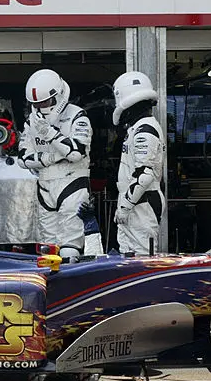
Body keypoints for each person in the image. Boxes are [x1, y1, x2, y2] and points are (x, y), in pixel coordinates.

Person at [17, 68, 93, 261]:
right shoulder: (31, 121)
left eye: (44, 101)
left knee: (70, 246)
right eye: (36, 103)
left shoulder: (78, 116)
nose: (41, 106)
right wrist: (52, 157)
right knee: (47, 248)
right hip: (44, 186)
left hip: (72, 183)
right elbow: (23, 158)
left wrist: (49, 133)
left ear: (57, 96)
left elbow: (76, 152)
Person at [111, 70, 164, 255]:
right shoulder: (139, 128)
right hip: (137, 202)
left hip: (142, 204)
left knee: (142, 259)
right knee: (129, 255)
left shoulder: (145, 130)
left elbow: (145, 175)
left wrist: (125, 206)